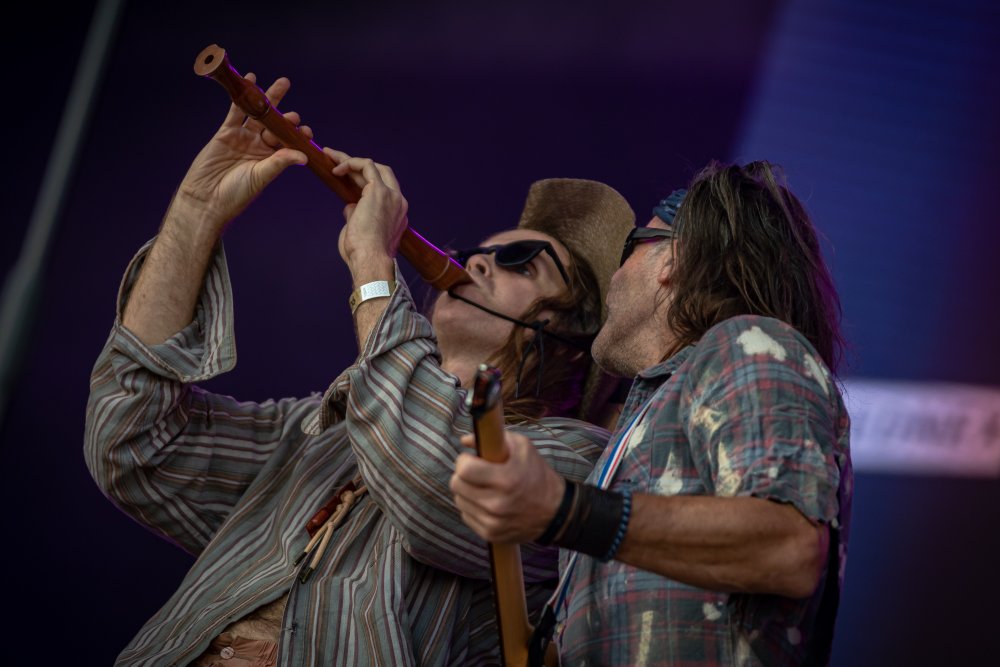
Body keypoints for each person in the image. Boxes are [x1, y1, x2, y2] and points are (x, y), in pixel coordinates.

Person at [84, 74, 636, 666]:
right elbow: (132, 442)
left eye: (521, 261)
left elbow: (426, 482)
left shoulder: (578, 462)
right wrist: (198, 212)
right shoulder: (323, 430)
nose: (476, 261)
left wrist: (374, 264)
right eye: (477, 250)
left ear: (569, 342)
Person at [451, 161, 853, 666]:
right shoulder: (643, 423)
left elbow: (789, 549)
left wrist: (563, 509)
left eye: (629, 248)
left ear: (674, 260)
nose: (614, 276)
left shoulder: (748, 343)